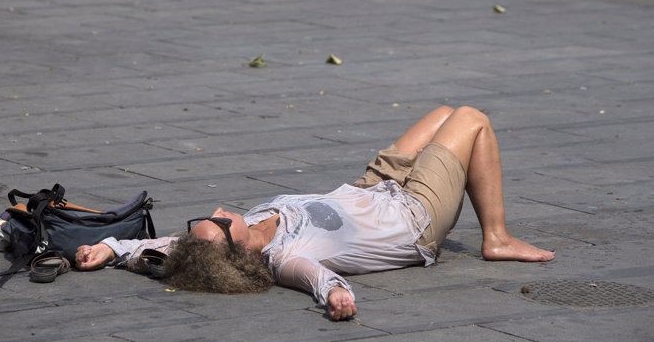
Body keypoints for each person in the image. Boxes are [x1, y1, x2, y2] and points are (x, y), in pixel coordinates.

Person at [75, 106, 555, 321]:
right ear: (235, 245)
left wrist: (107, 247)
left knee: (442, 113)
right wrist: (337, 298)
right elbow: (317, 278)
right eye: (220, 219)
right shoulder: (284, 258)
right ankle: (497, 238)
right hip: (413, 217)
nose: (221, 209)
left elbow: (158, 250)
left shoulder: (212, 246)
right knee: (471, 118)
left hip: (370, 188)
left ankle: (491, 227)